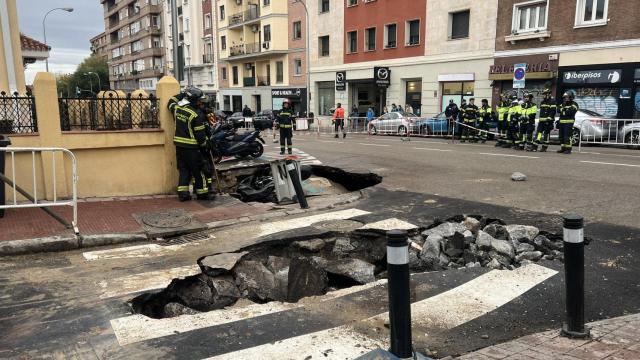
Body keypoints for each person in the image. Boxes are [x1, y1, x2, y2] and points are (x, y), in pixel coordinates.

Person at [168, 86, 213, 202]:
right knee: (199, 171)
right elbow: (201, 137)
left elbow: (171, 101)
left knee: (183, 170)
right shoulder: (195, 115)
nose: (200, 103)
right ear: (193, 100)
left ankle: (183, 194)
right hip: (192, 148)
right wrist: (206, 145)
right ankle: (202, 194)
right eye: (199, 100)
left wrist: (182, 95)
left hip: (179, 147)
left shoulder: (177, 109)